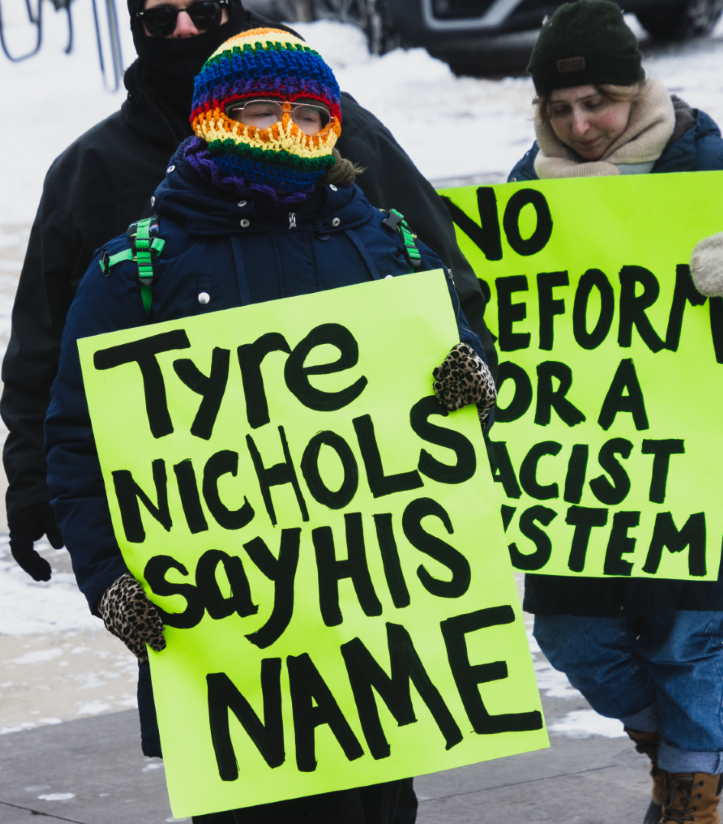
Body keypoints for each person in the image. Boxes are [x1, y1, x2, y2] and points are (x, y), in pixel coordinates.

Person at [44, 26, 495, 824]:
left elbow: (465, 360)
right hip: (235, 660)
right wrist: (109, 579)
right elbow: (79, 447)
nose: (286, 132)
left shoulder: (384, 245)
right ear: (212, 120)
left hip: (380, 644)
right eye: (258, 111)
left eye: (309, 117)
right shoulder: (132, 276)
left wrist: (475, 377)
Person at [1, 0, 495, 585]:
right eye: (161, 20)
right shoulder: (104, 201)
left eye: (202, 12)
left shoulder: (370, 208)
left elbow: (447, 305)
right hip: (217, 582)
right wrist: (42, 490)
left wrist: (476, 375)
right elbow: (55, 359)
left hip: (376, 568)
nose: (285, 132)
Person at [508, 2, 723, 823]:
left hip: (696, 459)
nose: (581, 124)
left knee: (686, 638)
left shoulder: (712, 165)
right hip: (582, 469)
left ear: (636, 89)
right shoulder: (524, 190)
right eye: (559, 110)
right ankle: (671, 753)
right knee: (571, 635)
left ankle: (690, 799)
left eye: (597, 102)